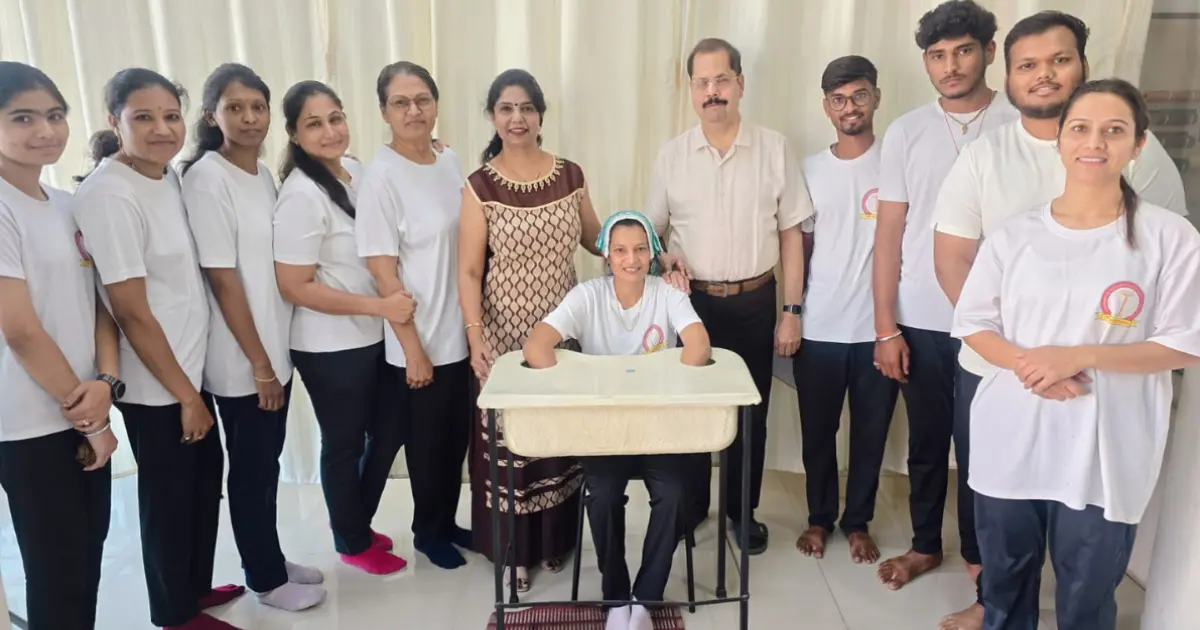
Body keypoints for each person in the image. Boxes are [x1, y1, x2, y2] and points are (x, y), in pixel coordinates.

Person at [931, 13, 1188, 629]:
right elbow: (970, 314)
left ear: (1138, 143)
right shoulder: (1013, 227)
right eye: (1081, 130)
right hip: (1011, 416)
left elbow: (1184, 338)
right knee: (1007, 573)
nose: (1094, 143)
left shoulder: (1166, 232)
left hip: (1105, 434)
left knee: (1087, 584)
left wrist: (1077, 358)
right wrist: (1030, 365)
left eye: (1113, 130)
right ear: (1063, 140)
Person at [72, 68, 243, 630]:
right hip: (157, 386)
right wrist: (184, 396)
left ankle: (192, 587)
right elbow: (131, 311)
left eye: (171, 116)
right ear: (113, 120)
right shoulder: (109, 194)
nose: (162, 129)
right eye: (143, 117)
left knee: (200, 488)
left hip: (189, 374)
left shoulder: (164, 175)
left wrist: (195, 387)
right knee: (168, 503)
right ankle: (173, 613)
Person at [870, 0, 1018, 601]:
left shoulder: (1023, 124)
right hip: (923, 319)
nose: (951, 65)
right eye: (937, 55)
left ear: (987, 50)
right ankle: (926, 544)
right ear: (925, 62)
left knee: (988, 447)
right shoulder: (907, 131)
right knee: (928, 443)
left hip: (1002, 322)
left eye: (962, 51)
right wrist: (886, 327)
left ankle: (986, 562)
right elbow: (888, 236)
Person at [644, 37, 813, 556]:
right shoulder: (672, 155)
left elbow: (791, 234)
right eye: (702, 82)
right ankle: (692, 506)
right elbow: (652, 235)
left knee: (749, 414)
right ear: (691, 89)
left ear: (740, 83)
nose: (712, 91)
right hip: (690, 305)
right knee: (691, 411)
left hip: (755, 302)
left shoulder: (774, 148)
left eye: (722, 80)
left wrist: (791, 311)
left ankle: (742, 512)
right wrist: (663, 259)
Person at [179, 63, 326, 612]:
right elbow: (222, 279)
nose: (247, 118)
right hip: (241, 360)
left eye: (257, 108)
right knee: (252, 474)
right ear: (210, 115)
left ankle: (271, 557)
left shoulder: (260, 174)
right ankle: (265, 578)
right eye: (234, 108)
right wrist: (260, 364)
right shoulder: (207, 178)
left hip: (272, 351)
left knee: (267, 468)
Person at [522, 211, 711, 630]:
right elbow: (538, 345)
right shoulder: (588, 296)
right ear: (606, 254)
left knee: (676, 493)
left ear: (653, 253)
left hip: (658, 429)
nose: (632, 259)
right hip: (605, 431)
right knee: (603, 494)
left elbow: (698, 345)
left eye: (641, 249)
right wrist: (577, 394)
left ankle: (644, 600)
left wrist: (663, 389)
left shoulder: (668, 294)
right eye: (621, 250)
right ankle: (615, 594)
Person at [458, 68, 603, 591]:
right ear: (493, 117)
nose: (517, 118)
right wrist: (476, 339)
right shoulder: (480, 186)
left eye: (526, 108)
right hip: (503, 338)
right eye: (505, 109)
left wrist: (648, 255)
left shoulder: (570, 175)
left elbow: (598, 240)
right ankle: (513, 550)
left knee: (558, 440)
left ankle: (555, 542)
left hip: (561, 333)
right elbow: (470, 270)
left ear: (540, 115)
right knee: (513, 446)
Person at [272, 80, 414, 576]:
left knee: (390, 429)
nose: (330, 131)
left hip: (370, 335)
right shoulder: (301, 195)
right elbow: (294, 285)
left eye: (335, 117)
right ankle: (350, 540)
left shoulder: (355, 171)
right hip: (329, 347)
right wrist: (379, 308)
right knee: (345, 443)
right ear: (293, 133)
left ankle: (355, 519)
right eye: (314, 123)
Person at [0, 61, 120, 630]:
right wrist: (89, 415)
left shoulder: (63, 203)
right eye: (23, 117)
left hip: (80, 404)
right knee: (57, 564)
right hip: (28, 420)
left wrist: (105, 384)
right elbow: (19, 328)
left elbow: (97, 304)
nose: (45, 130)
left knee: (87, 551)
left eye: (54, 115)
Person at [357, 61, 474, 570]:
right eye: (401, 102)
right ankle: (428, 533)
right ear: (384, 111)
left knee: (454, 442)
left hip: (459, 333)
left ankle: (446, 521)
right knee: (425, 447)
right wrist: (413, 350)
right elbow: (385, 275)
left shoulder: (448, 161)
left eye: (422, 99)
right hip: (418, 341)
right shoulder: (381, 178)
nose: (413, 110)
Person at [793, 55, 898, 565]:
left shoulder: (897, 163)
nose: (849, 107)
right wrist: (792, 310)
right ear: (826, 107)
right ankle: (819, 517)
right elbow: (802, 248)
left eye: (858, 95)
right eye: (838, 99)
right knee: (818, 431)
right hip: (821, 327)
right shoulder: (810, 170)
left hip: (880, 330)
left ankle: (857, 522)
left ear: (876, 97)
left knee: (871, 431)